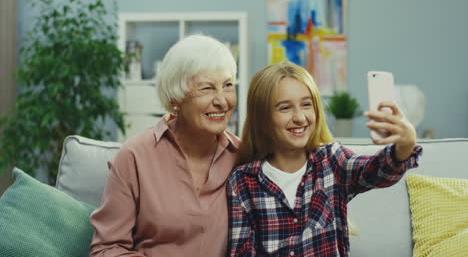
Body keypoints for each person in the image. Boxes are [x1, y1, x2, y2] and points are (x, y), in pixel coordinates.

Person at [226, 61, 422, 256]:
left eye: (306, 105)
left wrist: (403, 147)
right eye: (285, 108)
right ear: (263, 119)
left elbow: (375, 171)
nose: (300, 117)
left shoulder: (331, 160)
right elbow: (241, 251)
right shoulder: (243, 181)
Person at [89, 34, 239, 256]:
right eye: (206, 88)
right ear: (175, 99)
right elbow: (106, 249)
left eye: (227, 85)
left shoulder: (245, 157)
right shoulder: (134, 157)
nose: (222, 100)